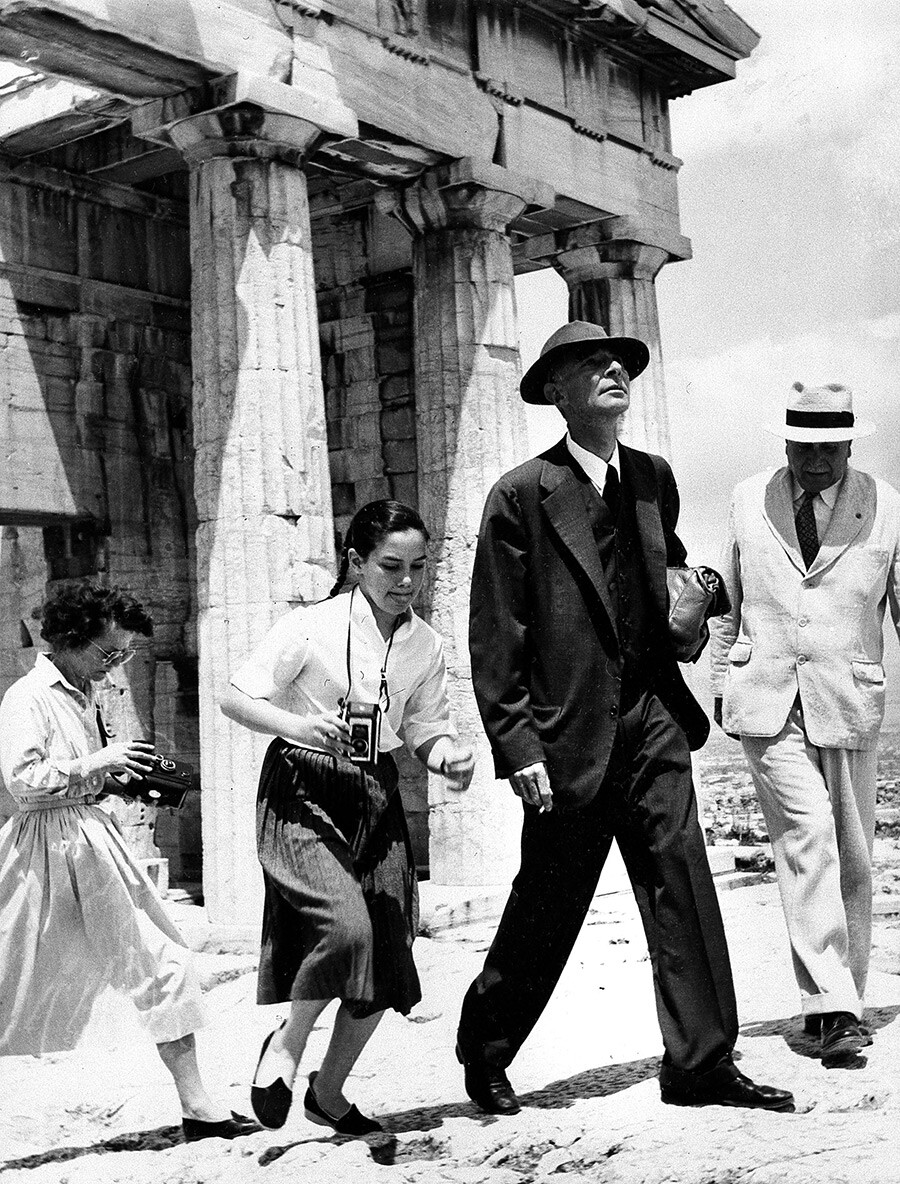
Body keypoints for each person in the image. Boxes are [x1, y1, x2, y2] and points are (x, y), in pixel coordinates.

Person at [455, 320, 795, 1115]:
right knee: (548, 904)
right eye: (590, 364)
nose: (614, 370)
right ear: (558, 392)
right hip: (567, 732)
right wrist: (518, 746)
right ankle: (487, 1048)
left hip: (653, 720)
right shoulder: (519, 494)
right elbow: (495, 633)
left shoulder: (652, 476)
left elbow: (664, 562)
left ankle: (701, 1064)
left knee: (683, 888)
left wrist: (699, 587)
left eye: (619, 363)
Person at [221, 499, 475, 1135]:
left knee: (389, 951)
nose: (407, 581)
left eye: (419, 566)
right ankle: (285, 1045)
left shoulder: (427, 643)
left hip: (374, 793)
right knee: (346, 927)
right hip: (302, 789)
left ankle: (327, 1093)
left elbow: (423, 725)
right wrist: (297, 725)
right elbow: (233, 694)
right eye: (391, 565)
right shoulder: (311, 626)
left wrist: (446, 753)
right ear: (357, 563)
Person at [0, 582, 258, 1143]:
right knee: (13, 981)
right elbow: (23, 781)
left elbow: (73, 772)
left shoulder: (83, 690)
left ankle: (199, 1108)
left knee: (164, 966)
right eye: (107, 653)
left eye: (123, 655)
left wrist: (120, 778)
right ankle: (200, 1110)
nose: (115, 665)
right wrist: (100, 760)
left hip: (90, 842)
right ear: (69, 639)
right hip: (46, 852)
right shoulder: (28, 696)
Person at [710, 381, 899, 1066]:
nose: (813, 462)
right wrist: (719, 683)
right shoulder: (746, 499)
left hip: (849, 700)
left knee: (851, 852)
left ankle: (836, 1001)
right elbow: (725, 600)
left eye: (827, 449)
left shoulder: (889, 508)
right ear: (784, 440)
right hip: (764, 698)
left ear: (849, 443)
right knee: (808, 835)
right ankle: (835, 1007)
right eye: (801, 447)